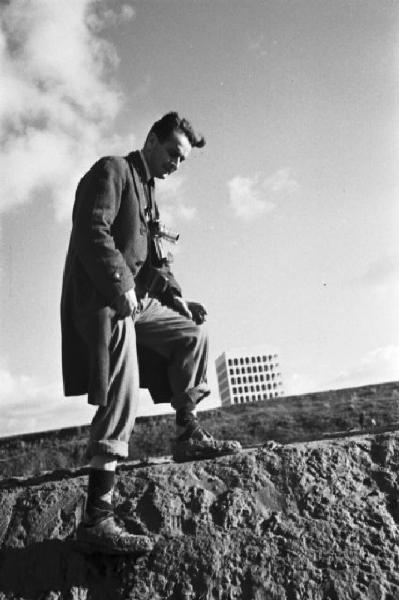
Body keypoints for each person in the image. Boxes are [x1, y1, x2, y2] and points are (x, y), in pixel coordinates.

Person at [61, 112, 242, 555]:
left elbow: (156, 263)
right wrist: (120, 285)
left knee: (191, 336)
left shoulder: (149, 195)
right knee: (121, 386)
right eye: (174, 155)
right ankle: (97, 517)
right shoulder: (113, 170)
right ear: (152, 140)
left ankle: (187, 434)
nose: (176, 166)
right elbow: (90, 230)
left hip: (134, 303)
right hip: (101, 302)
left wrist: (179, 301)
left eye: (182, 161)